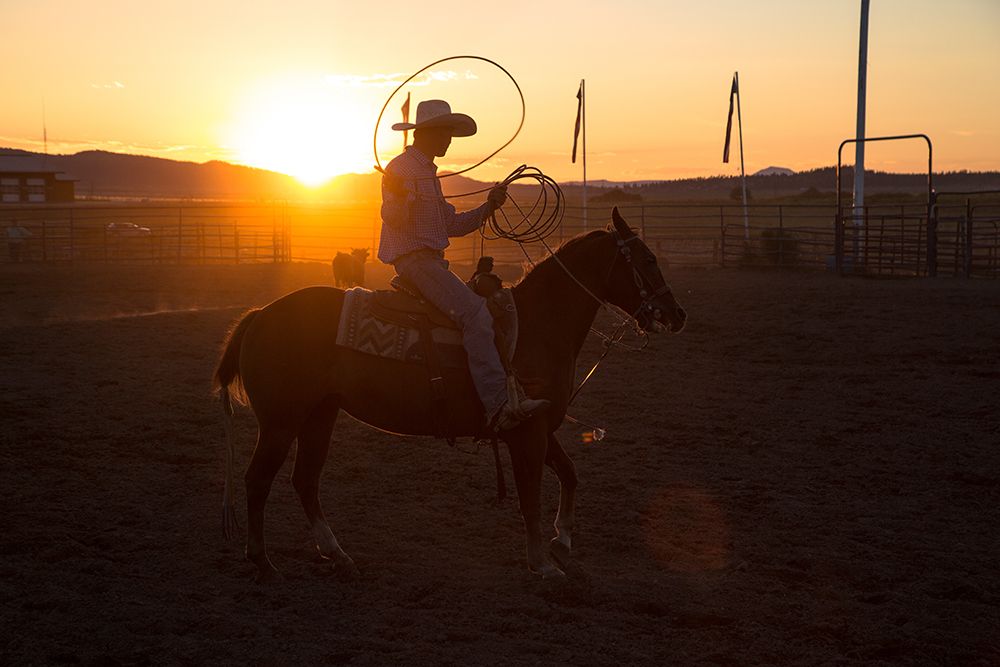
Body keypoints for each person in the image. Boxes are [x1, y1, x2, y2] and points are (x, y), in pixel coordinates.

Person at [378, 99, 549, 432]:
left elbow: (450, 225)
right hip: (415, 262)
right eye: (446, 132)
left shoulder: (428, 173)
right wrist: (403, 196)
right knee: (474, 314)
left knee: (483, 308)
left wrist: (488, 207)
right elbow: (392, 218)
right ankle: (498, 407)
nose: (449, 140)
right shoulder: (399, 170)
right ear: (428, 133)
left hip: (430, 263)